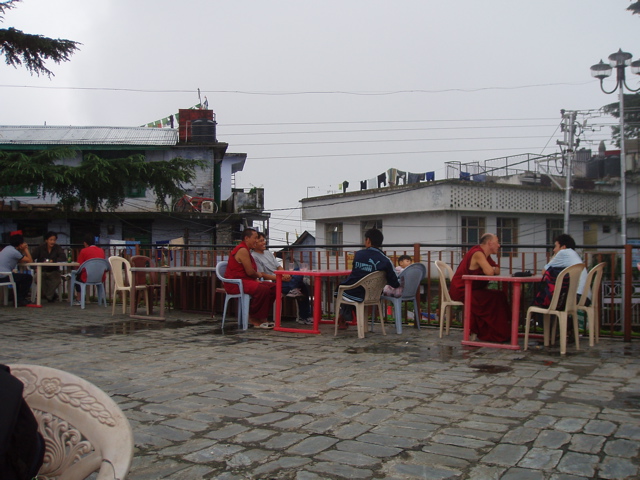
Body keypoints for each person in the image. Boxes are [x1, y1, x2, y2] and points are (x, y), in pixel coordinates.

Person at [449, 233, 511, 342]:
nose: (499, 245)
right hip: (463, 290)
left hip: (474, 289)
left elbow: (497, 269)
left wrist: (491, 268)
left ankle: (502, 331)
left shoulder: (486, 255)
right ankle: (496, 334)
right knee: (495, 298)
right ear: (489, 243)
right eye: (497, 242)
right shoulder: (478, 253)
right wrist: (491, 268)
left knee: (500, 295)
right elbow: (491, 272)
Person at [336, 228, 400, 329]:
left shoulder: (359, 255)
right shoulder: (386, 260)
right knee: (345, 288)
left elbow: (355, 274)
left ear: (368, 240)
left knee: (340, 288)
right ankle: (347, 318)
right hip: (373, 295)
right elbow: (395, 283)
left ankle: (344, 317)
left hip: (355, 292)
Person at [251, 232, 314, 325]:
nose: (264, 242)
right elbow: (263, 275)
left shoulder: (268, 253)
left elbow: (278, 266)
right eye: (261, 241)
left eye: (264, 240)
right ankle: (303, 316)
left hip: (282, 278)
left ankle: (293, 288)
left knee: (299, 269)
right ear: (255, 243)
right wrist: (280, 278)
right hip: (275, 282)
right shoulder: (254, 256)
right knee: (302, 287)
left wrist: (285, 274)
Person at [224, 228, 277, 329]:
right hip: (236, 283)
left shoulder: (247, 250)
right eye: (255, 238)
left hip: (247, 281)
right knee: (263, 289)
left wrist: (256, 278)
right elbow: (249, 272)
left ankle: (262, 317)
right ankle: (253, 317)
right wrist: (258, 275)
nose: (257, 241)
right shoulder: (242, 250)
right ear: (247, 238)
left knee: (274, 287)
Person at [533, 233, 588, 309]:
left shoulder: (563, 253)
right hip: (585, 297)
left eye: (555, 246)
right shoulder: (573, 254)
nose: (554, 249)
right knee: (554, 299)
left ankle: (539, 321)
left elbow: (544, 272)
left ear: (563, 247)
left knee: (543, 302)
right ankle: (561, 320)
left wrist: (554, 256)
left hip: (576, 297)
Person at [30, 231, 67, 302]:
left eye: (54, 240)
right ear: (46, 240)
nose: (52, 242)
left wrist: (53, 260)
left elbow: (63, 257)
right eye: (51, 240)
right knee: (38, 278)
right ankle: (51, 295)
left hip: (53, 271)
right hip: (42, 270)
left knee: (57, 279)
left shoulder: (57, 248)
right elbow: (31, 258)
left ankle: (48, 296)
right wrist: (35, 268)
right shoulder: (40, 248)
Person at [0, 233, 33, 306]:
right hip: (4, 276)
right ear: (20, 244)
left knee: (18, 278)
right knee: (28, 277)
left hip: (2, 274)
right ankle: (21, 299)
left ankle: (17, 299)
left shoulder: (7, 248)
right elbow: (30, 260)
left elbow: (21, 260)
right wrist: (25, 249)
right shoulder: (14, 252)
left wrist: (22, 251)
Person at [73, 233, 106, 305]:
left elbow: (79, 265)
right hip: (100, 277)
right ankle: (100, 302)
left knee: (76, 276)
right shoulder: (101, 250)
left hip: (87, 277)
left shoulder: (84, 251)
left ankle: (79, 299)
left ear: (85, 243)